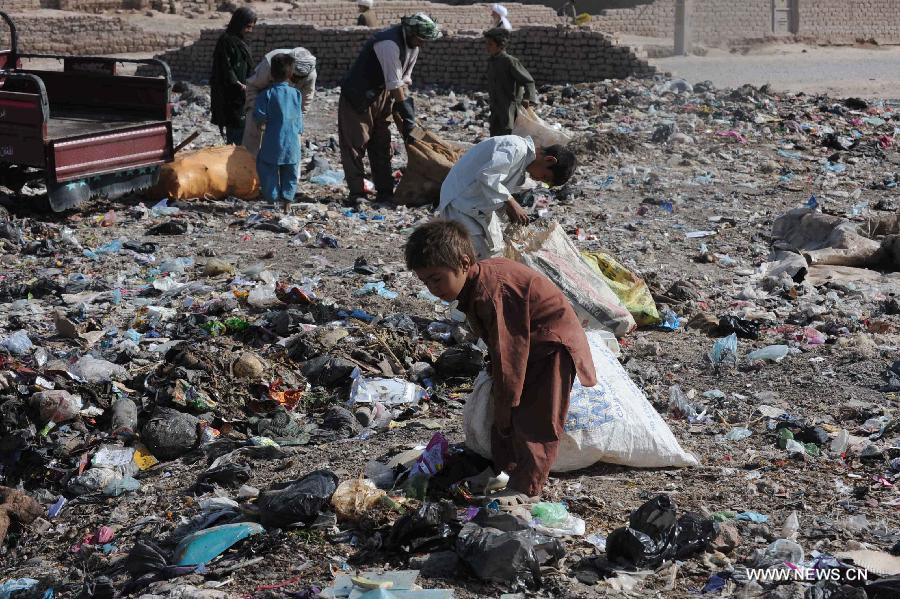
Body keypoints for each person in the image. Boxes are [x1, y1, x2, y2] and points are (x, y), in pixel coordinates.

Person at [405, 220, 596, 505]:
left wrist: (508, 394)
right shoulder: (475, 284)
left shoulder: (494, 292)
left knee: (536, 418)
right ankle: (502, 471)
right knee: (502, 413)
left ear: (464, 262)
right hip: (528, 344)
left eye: (436, 279)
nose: (433, 289)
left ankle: (527, 487)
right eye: (425, 282)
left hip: (550, 347)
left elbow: (512, 353)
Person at [338, 13, 441, 207]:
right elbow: (395, 84)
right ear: (411, 32)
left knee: (381, 143)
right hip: (359, 95)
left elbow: (403, 82)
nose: (423, 44)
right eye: (421, 39)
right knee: (355, 145)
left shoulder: (413, 47)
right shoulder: (388, 44)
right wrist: (406, 113)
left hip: (383, 94)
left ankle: (385, 191)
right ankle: (357, 193)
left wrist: (409, 117)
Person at [437, 135, 576, 259]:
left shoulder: (522, 162)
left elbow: (495, 188)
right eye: (544, 176)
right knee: (475, 256)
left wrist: (506, 207)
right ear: (549, 160)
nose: (539, 178)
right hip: (459, 202)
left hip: (476, 207)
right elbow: (487, 176)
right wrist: (510, 202)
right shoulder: (515, 148)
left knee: (497, 252)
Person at [243, 47, 317, 157]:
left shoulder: (310, 75)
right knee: (252, 138)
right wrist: (257, 111)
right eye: (294, 77)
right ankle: (247, 168)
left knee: (290, 145)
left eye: (299, 79)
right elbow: (253, 86)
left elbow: (306, 99)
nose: (296, 81)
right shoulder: (271, 64)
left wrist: (296, 121)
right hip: (262, 103)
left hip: (288, 108)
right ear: (289, 69)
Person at [253, 53, 303, 211]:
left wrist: (260, 124)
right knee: (290, 171)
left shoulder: (266, 94)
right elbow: (299, 118)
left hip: (273, 141)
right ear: (290, 74)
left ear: (271, 74)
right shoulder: (296, 94)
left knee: (267, 169)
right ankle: (288, 202)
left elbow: (259, 117)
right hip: (292, 143)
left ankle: (272, 201)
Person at [210, 7, 256, 145]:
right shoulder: (226, 41)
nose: (250, 31)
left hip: (242, 95)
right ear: (239, 23)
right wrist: (238, 84)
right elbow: (225, 68)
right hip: (230, 96)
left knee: (242, 131)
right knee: (235, 131)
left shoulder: (240, 41)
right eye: (248, 27)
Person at [484, 28, 536, 137]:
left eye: (490, 44)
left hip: (509, 108)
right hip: (495, 107)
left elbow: (528, 81)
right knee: (495, 136)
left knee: (508, 134)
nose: (487, 47)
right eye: (487, 44)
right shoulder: (491, 61)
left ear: (500, 45)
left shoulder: (509, 61)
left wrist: (527, 98)